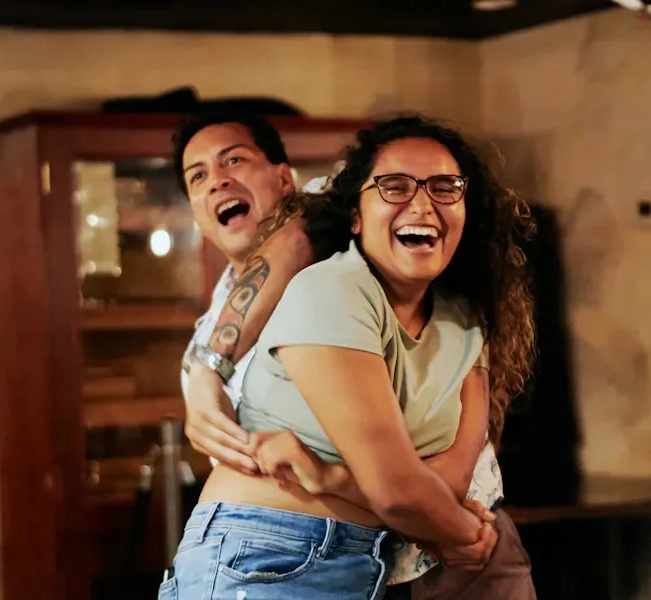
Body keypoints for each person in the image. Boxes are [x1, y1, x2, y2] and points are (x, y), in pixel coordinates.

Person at [174, 112, 536, 599]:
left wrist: (330, 476)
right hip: (294, 551)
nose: (217, 182)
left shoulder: (458, 308)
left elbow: (430, 478)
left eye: (233, 160)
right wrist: (202, 374)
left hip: (434, 538)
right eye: (197, 176)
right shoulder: (319, 289)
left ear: (285, 179)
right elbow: (392, 487)